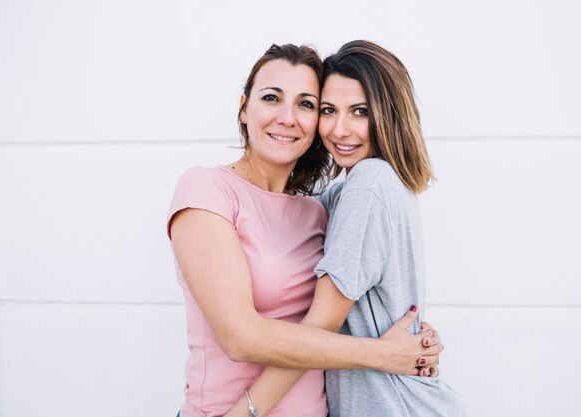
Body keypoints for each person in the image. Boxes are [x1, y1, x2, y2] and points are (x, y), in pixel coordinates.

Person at [167, 43, 443, 417]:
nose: (287, 117)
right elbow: (241, 337)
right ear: (244, 107)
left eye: (307, 104)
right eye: (271, 98)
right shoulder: (206, 190)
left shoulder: (321, 209)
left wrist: (414, 340)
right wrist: (382, 354)